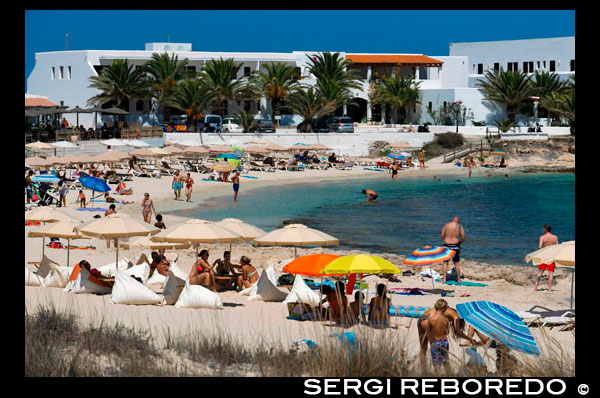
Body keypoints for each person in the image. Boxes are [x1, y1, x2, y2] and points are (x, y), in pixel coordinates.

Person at [417, 301, 472, 371]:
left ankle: (423, 371)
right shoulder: (456, 315)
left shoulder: (445, 308)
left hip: (422, 318)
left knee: (423, 349)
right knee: (441, 351)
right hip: (430, 321)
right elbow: (458, 332)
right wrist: (469, 338)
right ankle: (446, 372)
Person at [420, 299, 452, 375]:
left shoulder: (430, 319)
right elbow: (447, 332)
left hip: (435, 342)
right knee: (445, 361)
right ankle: (449, 375)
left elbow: (428, 333)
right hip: (444, 342)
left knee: (436, 363)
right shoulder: (446, 320)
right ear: (445, 308)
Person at [533, 224, 559, 292]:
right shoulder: (555, 237)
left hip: (544, 256)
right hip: (551, 257)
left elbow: (539, 247)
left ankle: (535, 287)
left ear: (545, 229)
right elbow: (557, 247)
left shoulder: (542, 237)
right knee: (551, 273)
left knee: (540, 272)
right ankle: (549, 289)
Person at [441, 216, 466, 283]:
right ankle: (459, 279)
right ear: (458, 221)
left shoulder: (446, 225)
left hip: (446, 245)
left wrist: (446, 240)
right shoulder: (459, 226)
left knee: (445, 263)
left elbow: (442, 235)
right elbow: (463, 238)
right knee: (456, 263)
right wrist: (459, 242)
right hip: (455, 246)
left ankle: (444, 279)